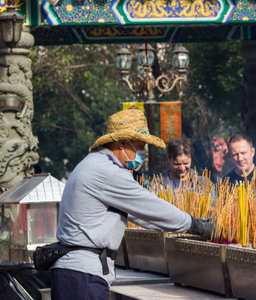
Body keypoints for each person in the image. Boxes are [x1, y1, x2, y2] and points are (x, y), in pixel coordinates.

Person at [51, 108, 214, 300]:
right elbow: (150, 206)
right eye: (140, 146)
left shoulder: (92, 163)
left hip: (74, 271)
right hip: (82, 275)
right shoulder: (108, 172)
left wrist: (182, 226)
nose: (143, 153)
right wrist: (195, 225)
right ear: (122, 144)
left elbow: (140, 215)